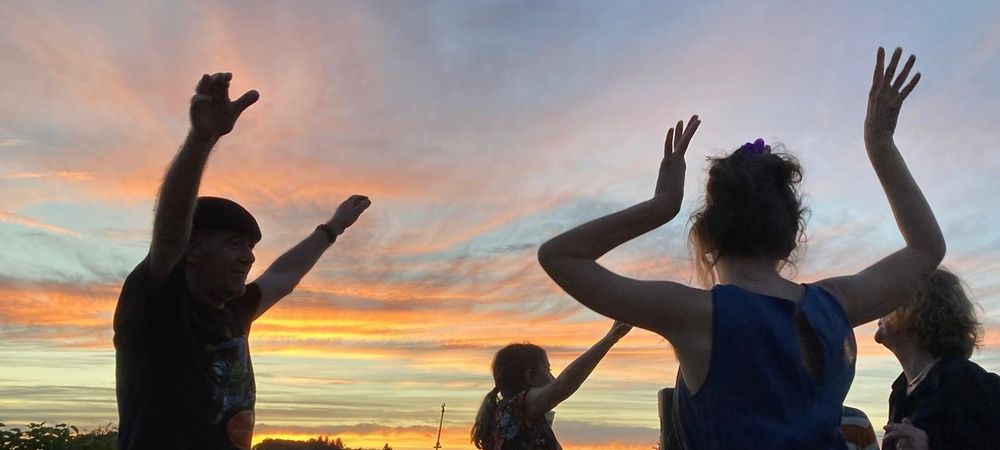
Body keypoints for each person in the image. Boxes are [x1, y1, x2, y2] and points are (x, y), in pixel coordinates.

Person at [537, 47, 945, 449]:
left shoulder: (696, 315)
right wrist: (880, 146)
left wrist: (661, 206)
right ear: (791, 236)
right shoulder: (835, 303)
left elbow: (559, 256)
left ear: (707, 235)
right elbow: (926, 249)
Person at [113, 72, 371, 450]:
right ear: (193, 250)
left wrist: (333, 228)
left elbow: (283, 274)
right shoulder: (158, 304)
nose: (249, 258)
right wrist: (202, 141)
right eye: (235, 244)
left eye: (250, 247)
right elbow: (169, 233)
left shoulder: (234, 311)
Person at [876, 268, 1000, 450]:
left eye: (893, 298)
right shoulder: (900, 392)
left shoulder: (966, 381)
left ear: (918, 309)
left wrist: (929, 445)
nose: (881, 308)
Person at [470, 321, 632, 449]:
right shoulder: (518, 408)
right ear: (530, 377)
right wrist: (611, 337)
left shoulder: (500, 415)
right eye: (547, 370)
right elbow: (561, 386)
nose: (553, 378)